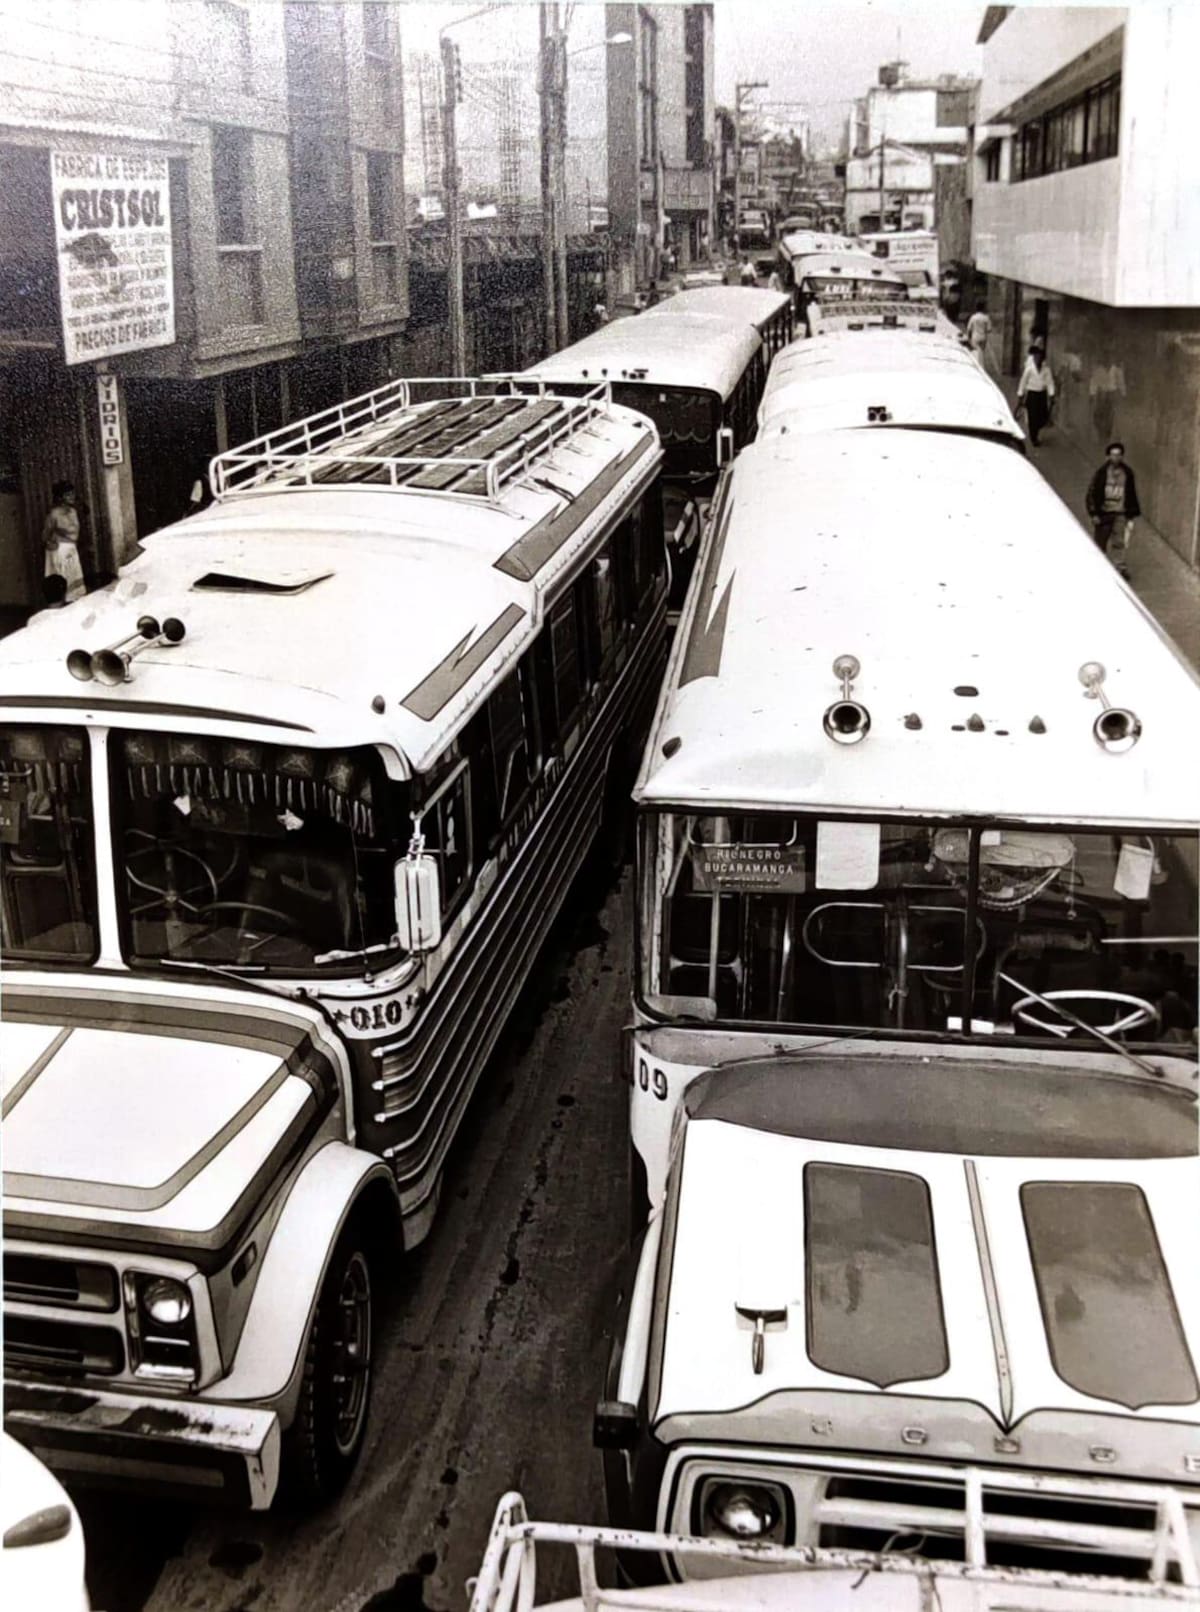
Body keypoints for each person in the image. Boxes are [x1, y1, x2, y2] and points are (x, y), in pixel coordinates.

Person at [1086, 441, 1141, 578]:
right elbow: (1092, 493)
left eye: (1118, 455)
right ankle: (1098, 566)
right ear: (1108, 456)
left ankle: (1120, 567)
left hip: (1120, 513)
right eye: (1113, 455)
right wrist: (1094, 513)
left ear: (1122, 456)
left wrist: (1131, 513)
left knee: (1119, 541)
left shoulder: (1127, 473)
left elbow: (1131, 493)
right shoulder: (1101, 473)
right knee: (1100, 541)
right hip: (1104, 513)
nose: (1115, 458)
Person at [41, 479, 85, 603]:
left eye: (72, 493)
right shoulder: (54, 514)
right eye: (67, 494)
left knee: (74, 584)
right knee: (62, 581)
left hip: (71, 549)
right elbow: (45, 535)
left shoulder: (73, 511)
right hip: (59, 551)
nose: (71, 497)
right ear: (60, 497)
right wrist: (51, 543)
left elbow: (75, 533)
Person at [1016, 344, 1056, 448]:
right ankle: (1034, 437)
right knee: (1033, 416)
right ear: (1033, 358)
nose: (1037, 360)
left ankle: (1036, 430)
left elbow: (1050, 382)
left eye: (1039, 358)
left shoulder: (1046, 370)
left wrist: (1051, 394)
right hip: (1032, 395)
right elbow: (1023, 382)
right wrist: (1020, 395)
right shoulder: (1029, 369)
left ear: (1042, 359)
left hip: (1041, 395)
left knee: (1042, 417)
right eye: (1036, 357)